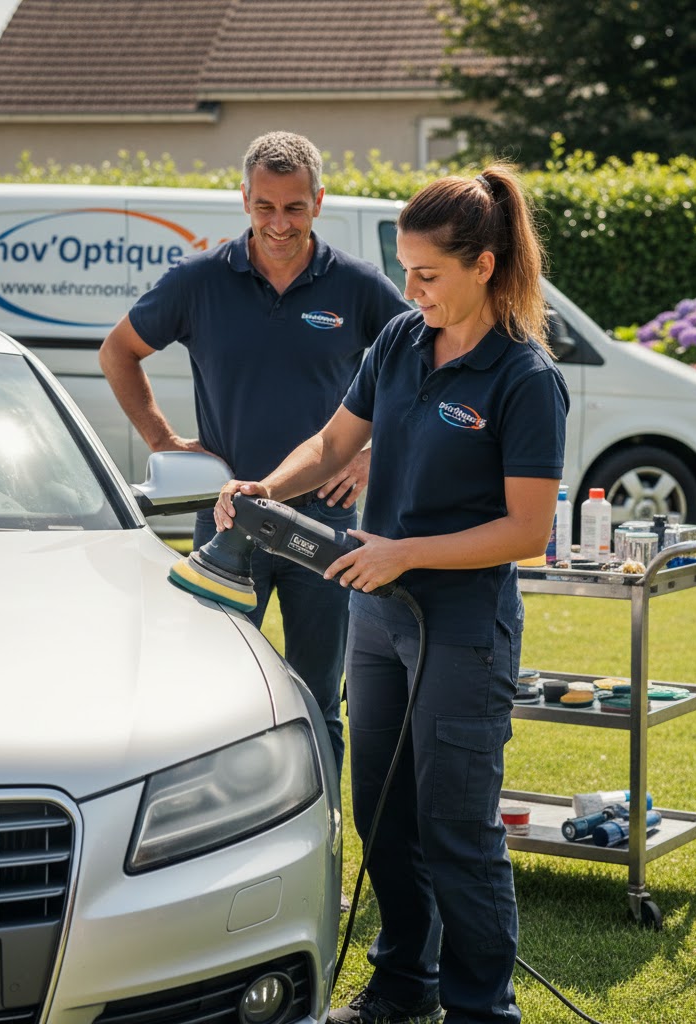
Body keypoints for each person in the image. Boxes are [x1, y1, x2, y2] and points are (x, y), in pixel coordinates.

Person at [213, 165, 570, 1024]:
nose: (411, 290)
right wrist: (267, 486)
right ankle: (406, 984)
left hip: (461, 626)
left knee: (456, 829)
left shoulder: (524, 377)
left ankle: (483, 1010)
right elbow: (334, 444)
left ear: (484, 266)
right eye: (406, 271)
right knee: (382, 813)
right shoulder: (402, 342)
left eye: (428, 274)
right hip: (376, 615)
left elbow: (528, 530)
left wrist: (406, 553)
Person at [99, 131, 409, 778]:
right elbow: (118, 351)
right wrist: (164, 442)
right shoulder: (198, 282)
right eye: (265, 206)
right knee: (211, 695)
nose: (279, 223)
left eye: (294, 207)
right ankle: (219, 825)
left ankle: (321, 825)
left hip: (325, 525)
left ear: (318, 202)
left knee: (319, 698)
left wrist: (373, 452)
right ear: (244, 199)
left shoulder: (359, 287)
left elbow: (424, 371)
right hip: (227, 521)